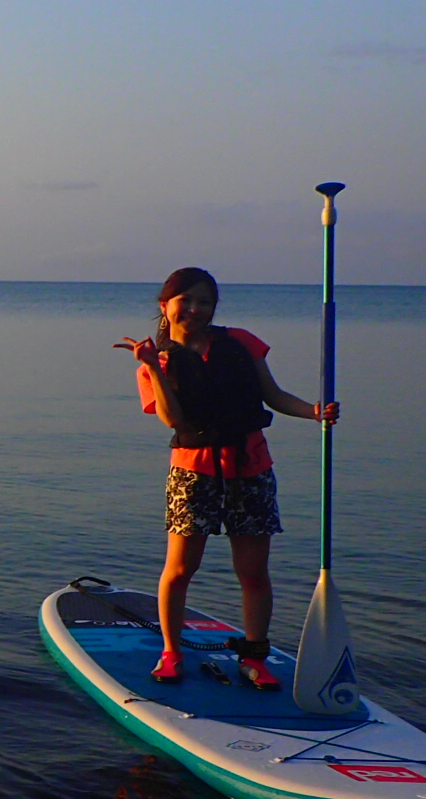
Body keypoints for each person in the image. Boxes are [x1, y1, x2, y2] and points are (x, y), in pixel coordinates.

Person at [117, 266, 338, 687]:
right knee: (181, 569)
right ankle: (171, 651)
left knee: (253, 572)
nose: (196, 310)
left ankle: (255, 657)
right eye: (187, 301)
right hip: (192, 471)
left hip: (251, 466)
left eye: (205, 302)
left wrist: (314, 412)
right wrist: (154, 367)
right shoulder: (154, 360)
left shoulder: (240, 343)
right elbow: (171, 419)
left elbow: (272, 395)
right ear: (166, 306)